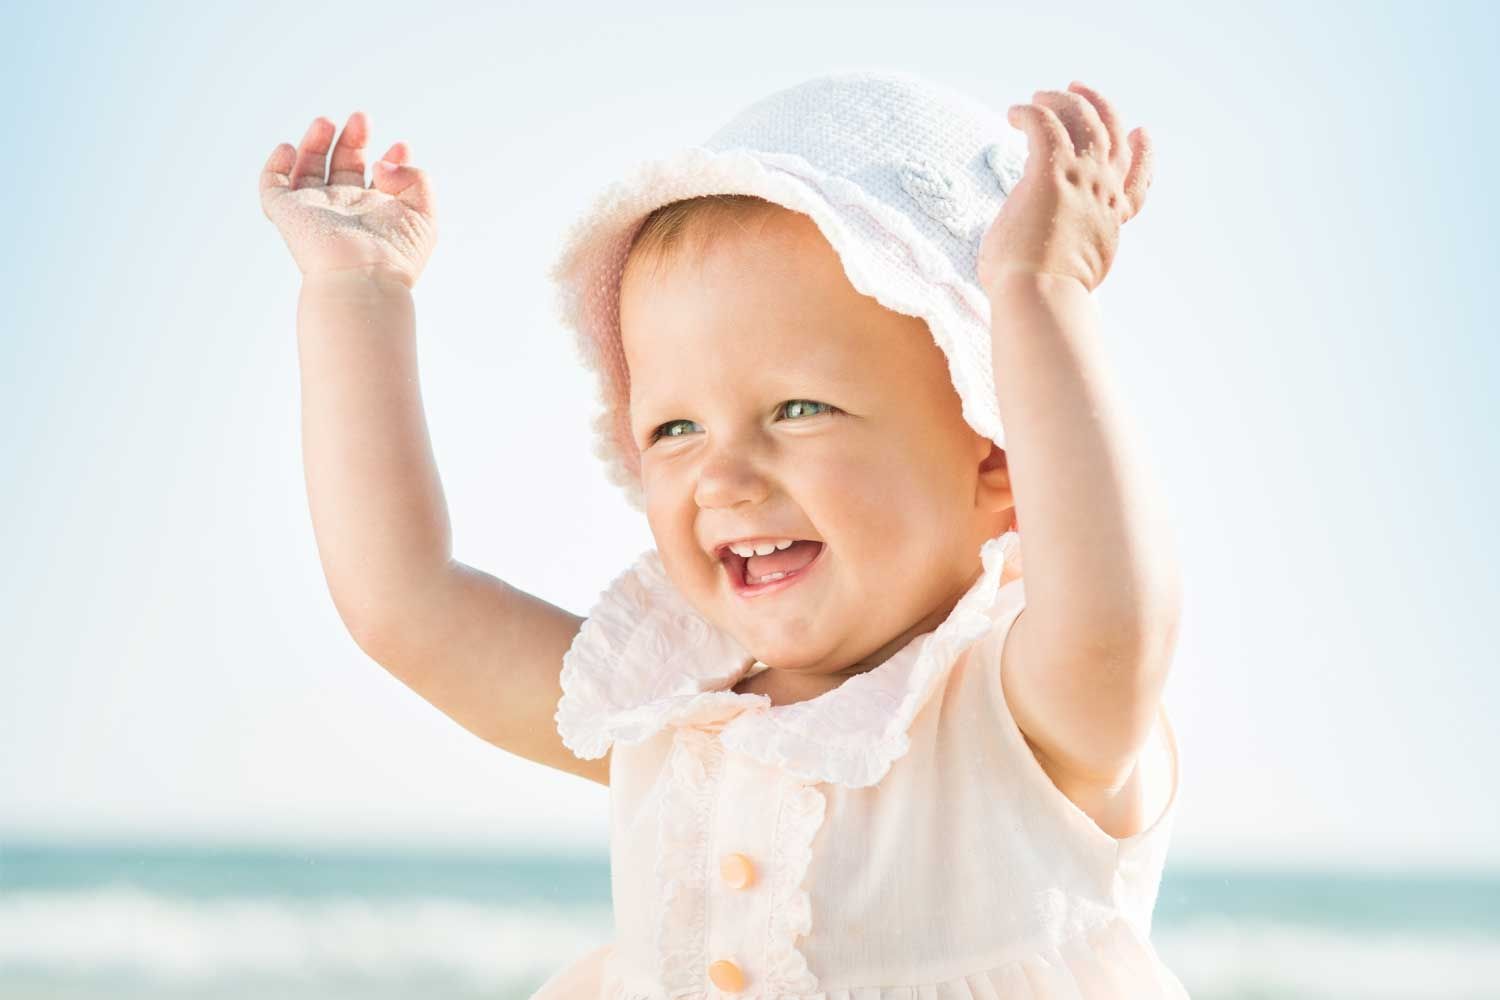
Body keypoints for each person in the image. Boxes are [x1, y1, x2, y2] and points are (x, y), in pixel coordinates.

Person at [259, 69, 1189, 999]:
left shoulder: (1029, 715)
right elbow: (404, 604)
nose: (722, 479)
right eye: (675, 429)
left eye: (799, 409)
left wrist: (1039, 293)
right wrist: (357, 292)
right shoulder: (667, 710)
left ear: (997, 459)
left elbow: (1115, 616)